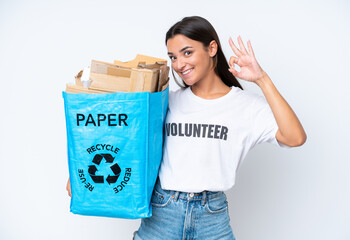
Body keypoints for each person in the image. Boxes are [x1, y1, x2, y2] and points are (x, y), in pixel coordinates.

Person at [67, 16, 306, 240]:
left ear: (212, 49)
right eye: (173, 57)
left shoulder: (245, 106)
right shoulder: (166, 100)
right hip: (162, 213)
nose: (179, 64)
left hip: (212, 217)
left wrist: (262, 79)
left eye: (187, 53)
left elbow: (295, 137)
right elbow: (125, 136)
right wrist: (82, 174)